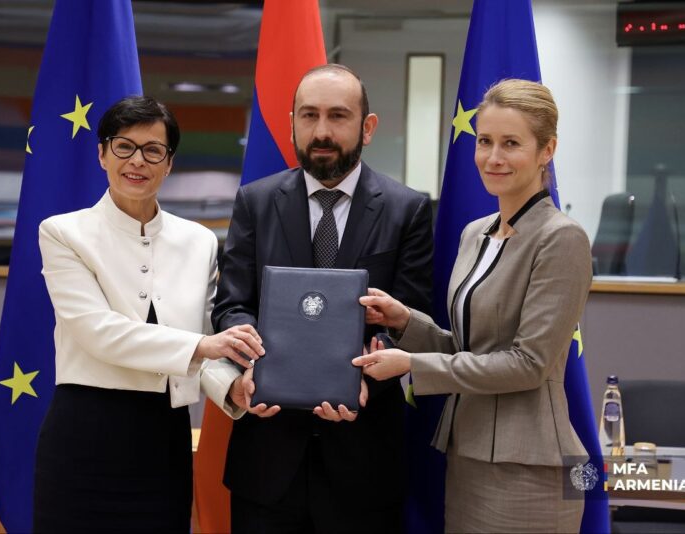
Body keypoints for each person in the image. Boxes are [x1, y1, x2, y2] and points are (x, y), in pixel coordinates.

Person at [353, 79, 591, 533]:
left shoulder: (562, 238)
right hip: (468, 454)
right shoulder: (474, 233)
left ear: (547, 150)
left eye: (511, 143)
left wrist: (411, 364)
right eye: (484, 141)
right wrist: (405, 322)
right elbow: (473, 349)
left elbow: (528, 364)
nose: (493, 157)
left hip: (530, 470)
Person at [213, 64, 434, 534]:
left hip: (364, 462)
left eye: (338, 116)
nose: (321, 132)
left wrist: (363, 380)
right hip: (266, 459)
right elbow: (232, 305)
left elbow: (411, 319)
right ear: (292, 122)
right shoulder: (255, 201)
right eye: (309, 115)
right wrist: (251, 365)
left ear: (367, 127)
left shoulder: (407, 210)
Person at [33, 96, 263, 533]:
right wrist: (203, 345)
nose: (137, 161)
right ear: (102, 154)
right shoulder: (63, 232)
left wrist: (232, 388)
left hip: (163, 437)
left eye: (153, 150)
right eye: (124, 146)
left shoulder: (199, 241)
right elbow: (98, 332)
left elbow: (207, 341)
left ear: (169, 163)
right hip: (84, 433)